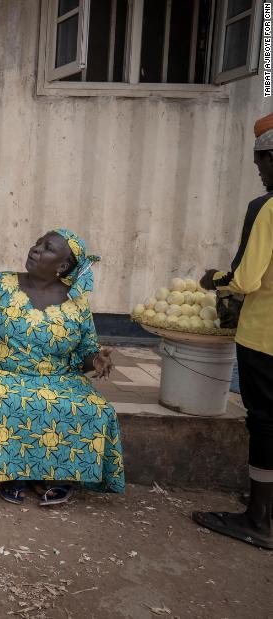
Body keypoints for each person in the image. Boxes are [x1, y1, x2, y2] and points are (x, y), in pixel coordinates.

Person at [0, 229, 124, 507]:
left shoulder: (77, 304)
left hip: (56, 376)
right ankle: (10, 473)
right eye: (36, 243)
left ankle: (60, 476)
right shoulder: (1, 283)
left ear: (63, 266)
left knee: (94, 408)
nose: (35, 249)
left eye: (47, 248)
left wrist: (96, 360)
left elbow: (85, 352)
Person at [192, 112, 273, 549]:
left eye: (259, 162)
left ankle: (258, 520)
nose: (258, 172)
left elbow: (245, 280)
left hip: (266, 337)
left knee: (265, 424)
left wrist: (214, 280)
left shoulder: (266, 207)